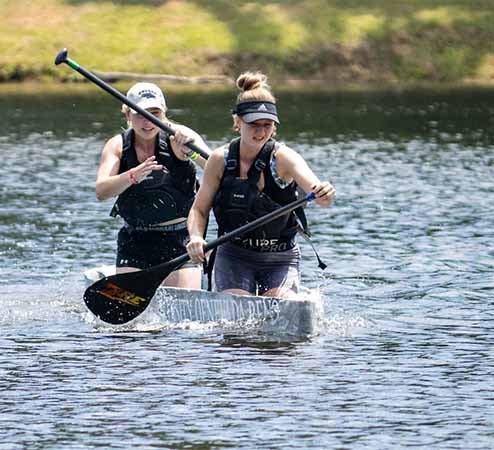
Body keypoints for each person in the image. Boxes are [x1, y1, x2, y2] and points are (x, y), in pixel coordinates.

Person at [186, 71, 335, 298]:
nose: (260, 131)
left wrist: (324, 193)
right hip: (234, 255)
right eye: (253, 124)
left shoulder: (284, 158)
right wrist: (196, 237)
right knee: (237, 312)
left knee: (280, 303)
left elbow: (317, 191)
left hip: (279, 257)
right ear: (237, 122)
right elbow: (199, 209)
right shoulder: (220, 159)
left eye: (267, 125)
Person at [96, 82, 210, 288]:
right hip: (135, 239)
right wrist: (131, 176)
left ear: (164, 114)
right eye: (139, 114)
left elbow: (217, 170)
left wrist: (191, 151)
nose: (147, 121)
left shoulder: (180, 137)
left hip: (179, 239)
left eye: (154, 113)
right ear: (127, 116)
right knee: (130, 317)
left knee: (182, 307)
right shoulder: (117, 145)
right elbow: (102, 192)